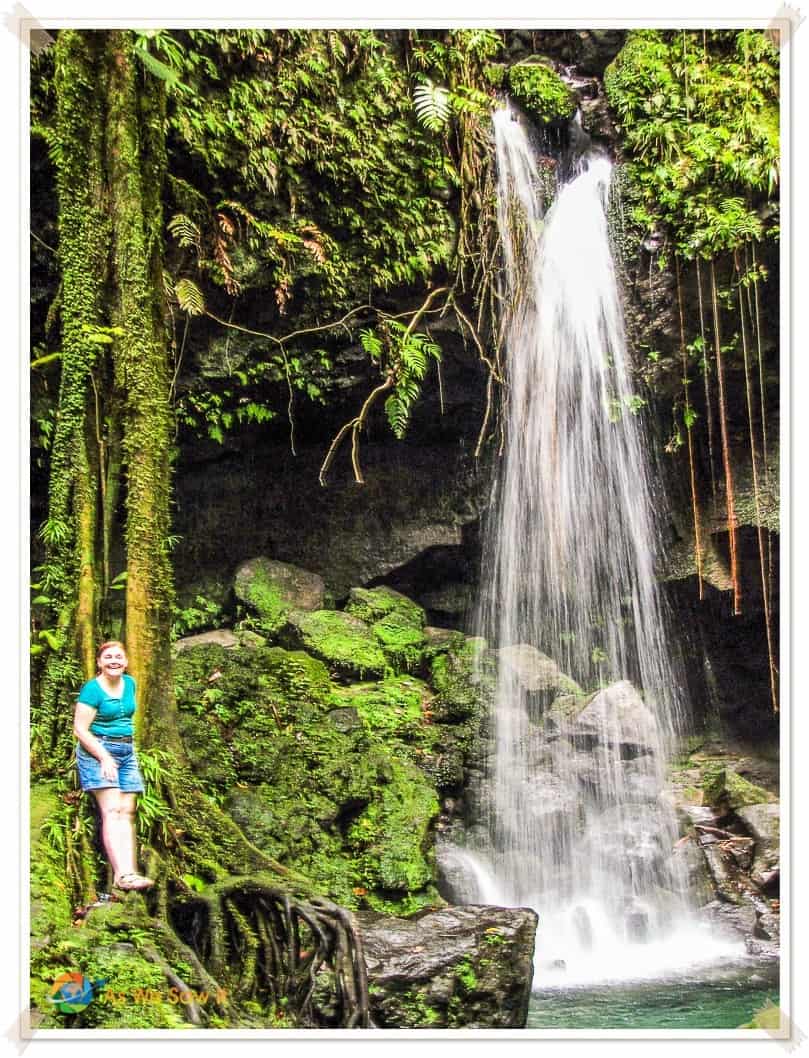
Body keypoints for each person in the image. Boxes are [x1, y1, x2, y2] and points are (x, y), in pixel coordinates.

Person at [73, 641, 155, 891]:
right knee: (112, 812)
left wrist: (124, 750)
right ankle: (122, 875)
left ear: (126, 661)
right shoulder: (92, 689)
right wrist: (104, 757)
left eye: (119, 657)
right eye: (108, 657)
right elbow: (80, 729)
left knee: (127, 813)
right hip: (97, 751)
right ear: (99, 662)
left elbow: (126, 719)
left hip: (126, 752)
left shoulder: (130, 683)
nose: (114, 661)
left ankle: (130, 872)